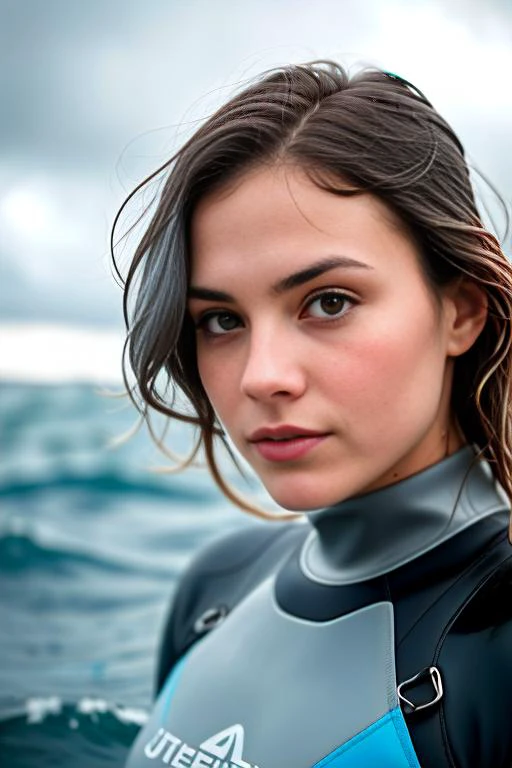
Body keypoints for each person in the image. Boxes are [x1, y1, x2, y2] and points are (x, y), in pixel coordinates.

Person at [114, 62, 512, 768]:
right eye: (221, 319)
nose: (263, 376)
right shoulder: (215, 587)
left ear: (463, 310)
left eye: (329, 302)